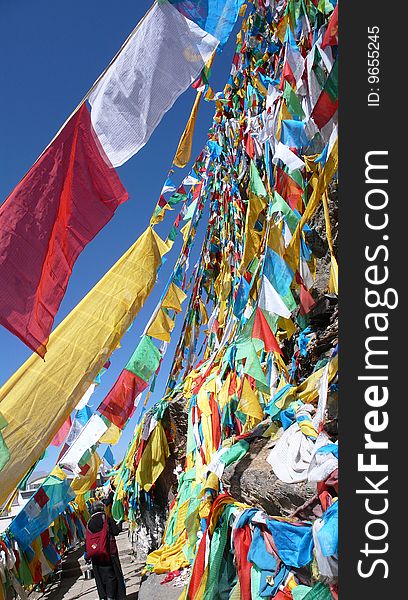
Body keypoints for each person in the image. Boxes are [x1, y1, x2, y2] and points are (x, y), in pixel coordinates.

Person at [85, 501, 126, 600]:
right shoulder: (105, 518)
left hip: (95, 555)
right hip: (108, 552)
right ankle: (112, 596)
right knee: (112, 576)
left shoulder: (89, 522)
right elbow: (116, 532)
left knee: (100, 577)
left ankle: (104, 596)